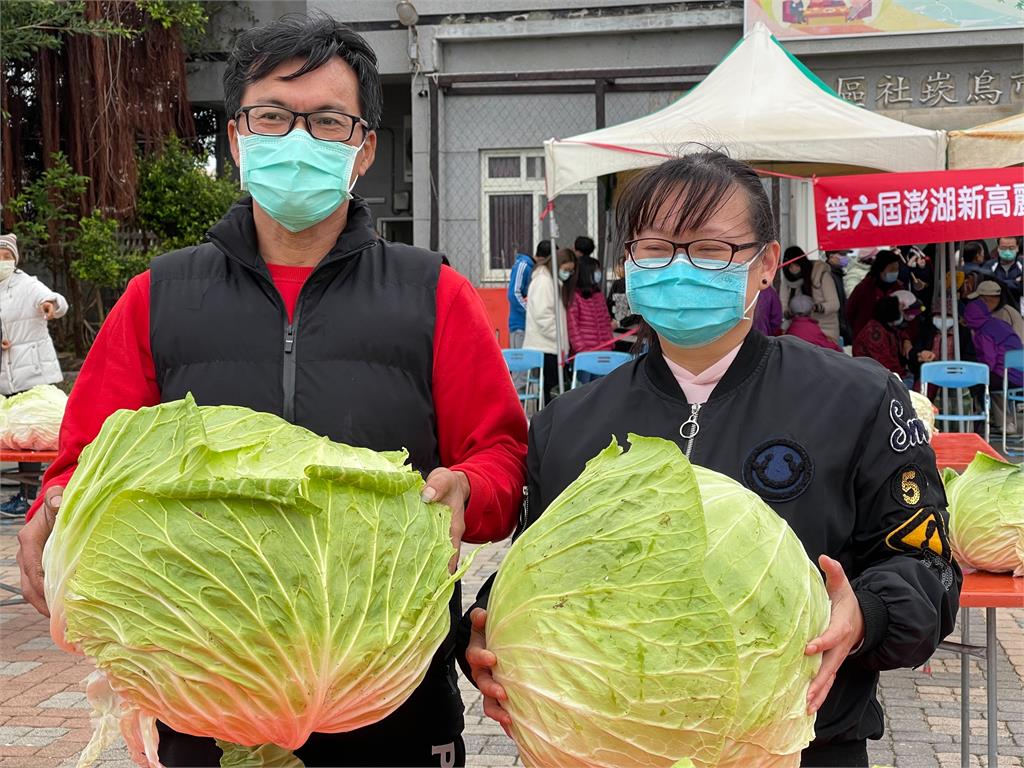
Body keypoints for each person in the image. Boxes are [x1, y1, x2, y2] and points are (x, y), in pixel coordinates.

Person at [16, 14, 527, 768]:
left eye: (327, 120)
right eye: (272, 117)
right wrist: (53, 509)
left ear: (364, 149)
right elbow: (83, 461)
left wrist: (469, 490)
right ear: (235, 140)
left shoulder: (433, 295)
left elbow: (501, 459)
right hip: (200, 693)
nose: (298, 139)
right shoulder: (159, 295)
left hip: (385, 695)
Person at [462, 152, 960, 768]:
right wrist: (484, 630)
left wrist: (868, 613)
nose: (680, 270)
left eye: (711, 250)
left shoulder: (857, 400)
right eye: (656, 250)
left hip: (799, 747)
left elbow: (928, 571)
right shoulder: (569, 423)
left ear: (766, 266)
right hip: (608, 751)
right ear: (629, 264)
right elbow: (537, 569)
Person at [0, 234, 68, 517]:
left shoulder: (27, 285)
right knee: (12, 436)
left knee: (31, 435)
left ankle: (27, 498)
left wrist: (50, 306)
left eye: (6, 256)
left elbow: (54, 300)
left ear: (15, 259)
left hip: (33, 373)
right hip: (6, 374)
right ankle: (21, 493)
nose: (2, 261)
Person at [964, 281, 1024, 434]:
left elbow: (989, 361)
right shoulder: (995, 322)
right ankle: (997, 421)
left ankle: (978, 423)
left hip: (1010, 375)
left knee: (978, 383)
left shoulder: (985, 330)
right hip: (1017, 373)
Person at [523, 248, 575, 405]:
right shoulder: (544, 282)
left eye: (571, 271)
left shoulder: (551, 281)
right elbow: (543, 316)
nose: (568, 274)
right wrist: (559, 339)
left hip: (551, 346)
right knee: (552, 391)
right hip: (546, 346)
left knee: (553, 390)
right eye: (566, 270)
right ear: (558, 264)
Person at [779, 246, 841, 343]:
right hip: (800, 330)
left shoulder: (821, 274)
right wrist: (789, 312)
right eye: (790, 266)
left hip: (825, 330)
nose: (793, 269)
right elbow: (783, 305)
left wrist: (816, 308)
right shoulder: (787, 281)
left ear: (802, 264)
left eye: (796, 265)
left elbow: (834, 304)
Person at [845, 250, 904, 340]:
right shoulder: (864, 288)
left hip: (892, 340)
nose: (895, 272)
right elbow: (850, 312)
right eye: (892, 269)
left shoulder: (899, 288)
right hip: (866, 339)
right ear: (881, 269)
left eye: (897, 269)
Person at [567, 254, 613, 363]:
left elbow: (606, 321)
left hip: (605, 351)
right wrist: (581, 350)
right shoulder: (575, 297)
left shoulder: (598, 295)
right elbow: (573, 328)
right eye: (595, 270)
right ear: (586, 273)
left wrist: (610, 343)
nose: (598, 273)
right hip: (585, 354)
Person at [506, 243, 538, 350]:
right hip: (520, 325)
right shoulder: (523, 265)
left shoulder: (534, 270)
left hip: (531, 326)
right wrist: (531, 312)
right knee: (520, 364)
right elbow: (514, 294)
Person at [983, 235, 1023, 306]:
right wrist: (1015, 282)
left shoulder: (1022, 264)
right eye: (1003, 248)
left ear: (1017, 248)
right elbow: (988, 289)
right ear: (998, 248)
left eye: (1011, 248)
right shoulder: (989, 266)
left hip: (1020, 312)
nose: (1007, 251)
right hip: (995, 310)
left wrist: (998, 282)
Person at [826, 250, 852, 344]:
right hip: (836, 328)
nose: (845, 257)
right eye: (842, 254)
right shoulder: (829, 275)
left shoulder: (838, 273)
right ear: (831, 256)